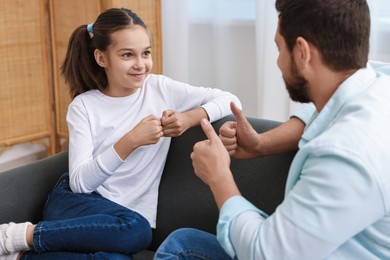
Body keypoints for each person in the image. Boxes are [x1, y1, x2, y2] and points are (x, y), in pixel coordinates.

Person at [154, 0, 390, 259]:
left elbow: (264, 253)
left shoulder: (344, 155)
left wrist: (218, 176)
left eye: (279, 48)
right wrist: (260, 144)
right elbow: (328, 109)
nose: (278, 62)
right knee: (182, 243)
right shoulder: (377, 82)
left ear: (302, 52)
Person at [0, 8, 241, 259]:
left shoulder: (160, 88)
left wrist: (188, 118)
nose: (140, 64)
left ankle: (19, 257)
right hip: (75, 204)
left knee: (118, 254)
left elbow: (231, 100)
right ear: (102, 58)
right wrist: (131, 140)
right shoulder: (84, 106)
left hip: (120, 220)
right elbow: (80, 184)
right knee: (137, 231)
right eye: (127, 55)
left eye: (146, 53)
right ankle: (17, 236)